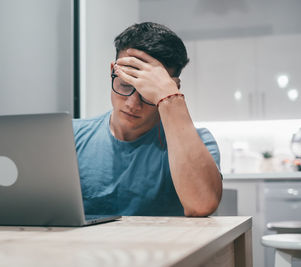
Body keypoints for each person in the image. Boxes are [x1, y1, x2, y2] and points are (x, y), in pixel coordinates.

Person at [73, 22, 222, 217]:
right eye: (125, 85)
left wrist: (169, 96)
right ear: (113, 70)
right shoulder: (71, 136)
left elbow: (201, 205)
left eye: (148, 93)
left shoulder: (199, 143)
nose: (133, 104)